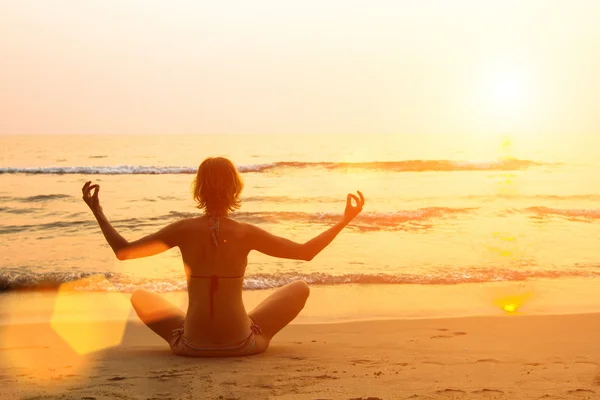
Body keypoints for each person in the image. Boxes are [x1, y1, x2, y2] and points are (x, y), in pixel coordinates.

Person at [82, 156, 365, 357]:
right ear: (235, 188)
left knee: (139, 296)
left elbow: (123, 252)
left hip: (191, 347)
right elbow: (306, 253)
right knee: (300, 288)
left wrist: (98, 212)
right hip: (243, 344)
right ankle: (244, 327)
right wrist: (344, 220)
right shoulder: (246, 232)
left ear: (198, 189)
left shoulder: (182, 229)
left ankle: (194, 329)